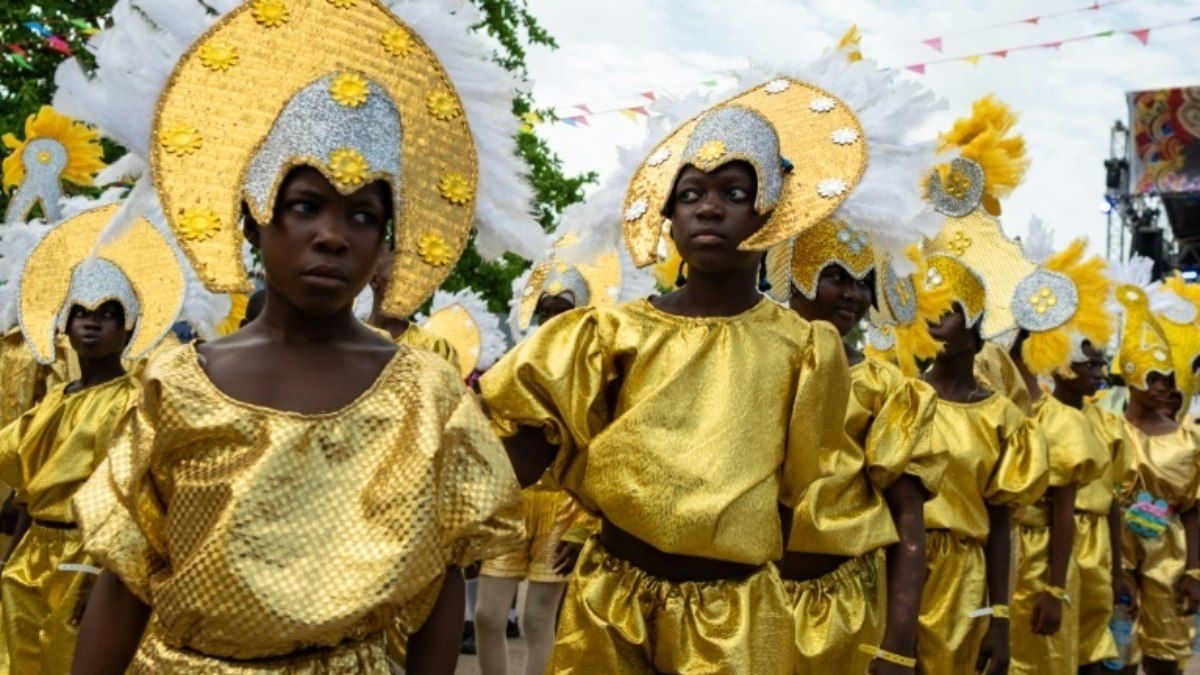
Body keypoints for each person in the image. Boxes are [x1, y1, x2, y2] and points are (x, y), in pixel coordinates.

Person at [61, 0, 542, 671]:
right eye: (306, 206)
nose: (332, 235)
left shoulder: (427, 395)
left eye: (364, 215)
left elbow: (440, 585)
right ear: (255, 219)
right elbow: (127, 576)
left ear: (385, 242)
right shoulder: (175, 382)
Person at [481, 63, 882, 671]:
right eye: (690, 194)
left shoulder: (803, 349)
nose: (709, 209)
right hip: (608, 600)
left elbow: (813, 495)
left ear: (771, 213)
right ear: (668, 216)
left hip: (734, 618)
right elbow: (521, 444)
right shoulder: (609, 335)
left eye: (735, 193)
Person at [0, 203, 184, 672]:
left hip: (84, 561)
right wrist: (13, 557)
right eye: (81, 312)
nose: (91, 322)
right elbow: (31, 489)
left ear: (129, 329)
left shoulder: (131, 404)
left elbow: (131, 499)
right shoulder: (58, 398)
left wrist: (105, 576)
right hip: (30, 560)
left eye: (107, 313)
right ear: (64, 323)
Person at [475, 244, 610, 675]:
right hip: (514, 503)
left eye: (562, 310)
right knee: (487, 616)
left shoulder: (598, 373)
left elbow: (603, 452)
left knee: (537, 619)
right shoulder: (516, 365)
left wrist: (586, 527)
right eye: (545, 310)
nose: (552, 319)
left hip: (564, 509)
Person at [913, 255, 1048, 675]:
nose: (935, 321)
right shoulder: (902, 399)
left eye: (949, 311)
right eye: (928, 309)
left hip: (963, 580)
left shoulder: (1002, 418)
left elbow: (1000, 522)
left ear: (975, 326)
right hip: (897, 565)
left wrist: (1000, 618)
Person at [1000, 237, 1114, 673]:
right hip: (982, 564)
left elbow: (1063, 514)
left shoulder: (1062, 423)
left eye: (1012, 343)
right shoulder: (983, 414)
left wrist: (1054, 588)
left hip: (1037, 563)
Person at [1110, 276, 1200, 675]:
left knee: (1166, 657)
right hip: (1114, 553)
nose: (1164, 386)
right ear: (1131, 376)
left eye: (1169, 378)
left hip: (1169, 558)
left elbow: (1195, 510)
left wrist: (1195, 572)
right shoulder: (1107, 429)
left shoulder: (1189, 440)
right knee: (1115, 655)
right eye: (1154, 378)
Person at [1053, 340, 1132, 674]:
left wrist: (1118, 571)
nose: (1101, 374)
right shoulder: (1037, 417)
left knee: (1094, 645)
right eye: (1092, 365)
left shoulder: (1109, 424)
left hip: (1095, 541)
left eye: (1103, 365)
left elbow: (1112, 502)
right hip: (1050, 540)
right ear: (1062, 366)